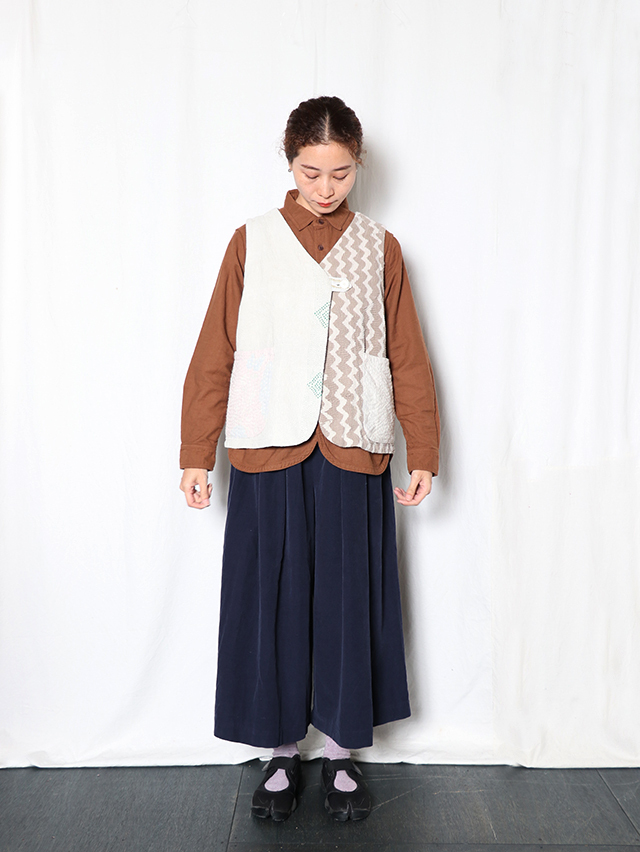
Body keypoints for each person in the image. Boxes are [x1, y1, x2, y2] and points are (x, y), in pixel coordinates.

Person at [179, 96, 440, 823]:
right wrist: (196, 451)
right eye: (310, 171)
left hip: (354, 441)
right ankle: (279, 752)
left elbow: (408, 353)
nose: (325, 188)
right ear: (289, 163)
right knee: (272, 596)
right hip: (267, 439)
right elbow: (216, 347)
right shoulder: (251, 241)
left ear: (359, 165)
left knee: (349, 597)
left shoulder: (381, 246)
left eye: (340, 173)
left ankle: (341, 753)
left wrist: (424, 447)